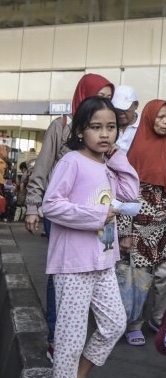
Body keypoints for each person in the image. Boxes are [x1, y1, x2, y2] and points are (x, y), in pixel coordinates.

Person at [42, 96, 139, 378]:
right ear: (81, 130)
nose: (104, 134)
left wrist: (119, 158)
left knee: (114, 323)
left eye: (111, 127)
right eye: (96, 127)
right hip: (73, 265)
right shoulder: (71, 162)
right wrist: (96, 215)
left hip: (103, 260)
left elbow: (130, 192)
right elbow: (50, 205)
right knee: (69, 339)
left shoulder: (108, 164)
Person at [24, 73, 115, 363]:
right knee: (61, 276)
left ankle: (72, 337)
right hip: (62, 208)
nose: (103, 102)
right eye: (98, 95)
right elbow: (43, 167)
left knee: (87, 275)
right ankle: (57, 337)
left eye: (108, 98)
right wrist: (32, 206)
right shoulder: (61, 127)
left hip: (96, 215)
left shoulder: (106, 139)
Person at [118, 99, 166, 346]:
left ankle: (158, 318)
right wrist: (125, 231)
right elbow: (124, 194)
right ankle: (133, 323)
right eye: (161, 117)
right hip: (140, 223)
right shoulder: (134, 152)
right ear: (149, 118)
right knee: (139, 275)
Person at [111, 85, 140, 154]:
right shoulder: (108, 126)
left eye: (125, 108)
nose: (121, 113)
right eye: (117, 109)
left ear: (136, 105)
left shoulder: (145, 127)